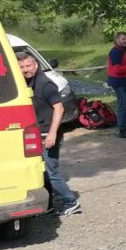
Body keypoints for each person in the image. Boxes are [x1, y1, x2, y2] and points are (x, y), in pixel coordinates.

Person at [18, 50, 81, 215]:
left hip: (49, 135)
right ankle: (49, 205)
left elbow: (59, 109)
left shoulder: (45, 85)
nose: (26, 70)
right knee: (42, 172)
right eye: (22, 67)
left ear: (36, 65)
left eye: (28, 66)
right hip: (38, 133)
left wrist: (53, 134)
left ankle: (71, 201)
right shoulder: (26, 83)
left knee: (52, 172)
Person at [106, 32, 126, 140]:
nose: (125, 41)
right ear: (117, 39)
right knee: (124, 106)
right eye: (123, 39)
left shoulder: (122, 50)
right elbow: (117, 70)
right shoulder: (115, 52)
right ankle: (123, 130)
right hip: (120, 82)